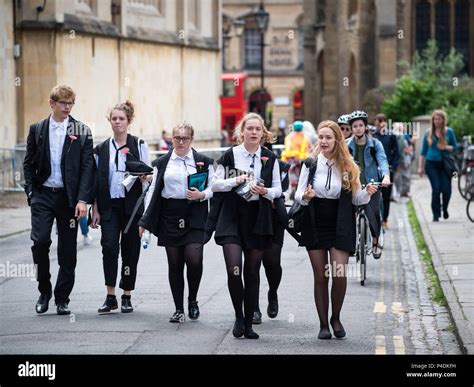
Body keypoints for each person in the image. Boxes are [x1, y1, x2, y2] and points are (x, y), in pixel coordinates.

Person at [295, 120, 378, 339]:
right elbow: (296, 193)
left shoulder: (349, 166)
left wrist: (367, 192)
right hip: (315, 222)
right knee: (321, 277)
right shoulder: (310, 163)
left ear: (337, 140)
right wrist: (305, 196)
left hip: (341, 222)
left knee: (339, 273)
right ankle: (323, 324)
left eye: (328, 137)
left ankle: (336, 317)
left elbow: (356, 198)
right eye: (320, 137)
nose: (323, 141)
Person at [207, 112, 282, 339]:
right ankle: (238, 316)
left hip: (258, 218)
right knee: (234, 271)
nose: (253, 132)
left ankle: (249, 322)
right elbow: (215, 185)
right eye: (249, 128)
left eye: (257, 129)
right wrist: (235, 180)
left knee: (251, 272)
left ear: (263, 133)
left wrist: (265, 191)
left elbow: (279, 190)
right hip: (231, 217)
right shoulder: (230, 155)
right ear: (242, 132)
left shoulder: (269, 157)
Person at [23, 84, 95, 315]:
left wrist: (83, 200)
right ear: (52, 103)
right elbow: (28, 162)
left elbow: (87, 168)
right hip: (43, 194)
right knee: (40, 242)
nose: (67, 107)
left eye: (71, 103)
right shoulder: (37, 129)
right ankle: (44, 290)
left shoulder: (81, 130)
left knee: (67, 250)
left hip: (69, 198)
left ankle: (62, 297)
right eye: (63, 103)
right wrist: (31, 192)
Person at [139, 122, 214, 322]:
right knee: (175, 263)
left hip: (195, 213)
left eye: (185, 138)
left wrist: (202, 194)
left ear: (191, 139)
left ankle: (193, 300)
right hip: (170, 215)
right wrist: (144, 221)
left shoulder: (203, 161)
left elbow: (213, 188)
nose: (180, 142)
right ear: (172, 139)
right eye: (177, 138)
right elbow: (152, 193)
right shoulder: (161, 163)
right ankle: (179, 308)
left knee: (194, 259)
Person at [90, 101, 150, 314]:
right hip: (108, 206)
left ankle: (126, 294)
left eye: (121, 118)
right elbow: (97, 181)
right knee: (109, 248)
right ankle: (110, 295)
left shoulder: (139, 144)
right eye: (114, 118)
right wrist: (95, 209)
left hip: (132, 207)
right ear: (110, 121)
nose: (117, 122)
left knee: (130, 250)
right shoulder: (101, 148)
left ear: (128, 121)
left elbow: (148, 177)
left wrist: (144, 177)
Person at [346, 110, 390, 259]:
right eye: (355, 126)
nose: (358, 128)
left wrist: (385, 176)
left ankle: (376, 241)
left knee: (374, 213)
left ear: (365, 127)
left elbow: (382, 160)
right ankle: (350, 243)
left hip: (372, 184)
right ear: (351, 129)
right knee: (347, 215)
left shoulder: (375, 144)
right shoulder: (346, 145)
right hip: (353, 186)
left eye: (360, 125)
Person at [253, 158, 290, 324]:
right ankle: (253, 307)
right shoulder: (239, 160)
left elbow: (285, 191)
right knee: (252, 263)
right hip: (251, 216)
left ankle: (272, 292)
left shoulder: (279, 165)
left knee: (272, 262)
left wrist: (272, 194)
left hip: (274, 217)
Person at [418, 110, 457, 221]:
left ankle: (444, 208)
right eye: (435, 119)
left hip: (445, 165)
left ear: (443, 120)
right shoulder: (428, 132)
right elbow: (423, 151)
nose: (437, 121)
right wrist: (420, 167)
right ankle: (435, 214)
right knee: (436, 189)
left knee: (446, 190)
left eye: (439, 119)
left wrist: (446, 147)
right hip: (431, 164)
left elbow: (455, 147)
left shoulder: (449, 132)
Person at [373, 113, 400, 229]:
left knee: (386, 196)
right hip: (373, 169)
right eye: (377, 120)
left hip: (387, 170)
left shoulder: (391, 135)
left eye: (381, 120)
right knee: (373, 195)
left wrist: (392, 166)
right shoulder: (372, 135)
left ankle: (384, 220)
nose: (379, 123)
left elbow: (397, 153)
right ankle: (374, 219)